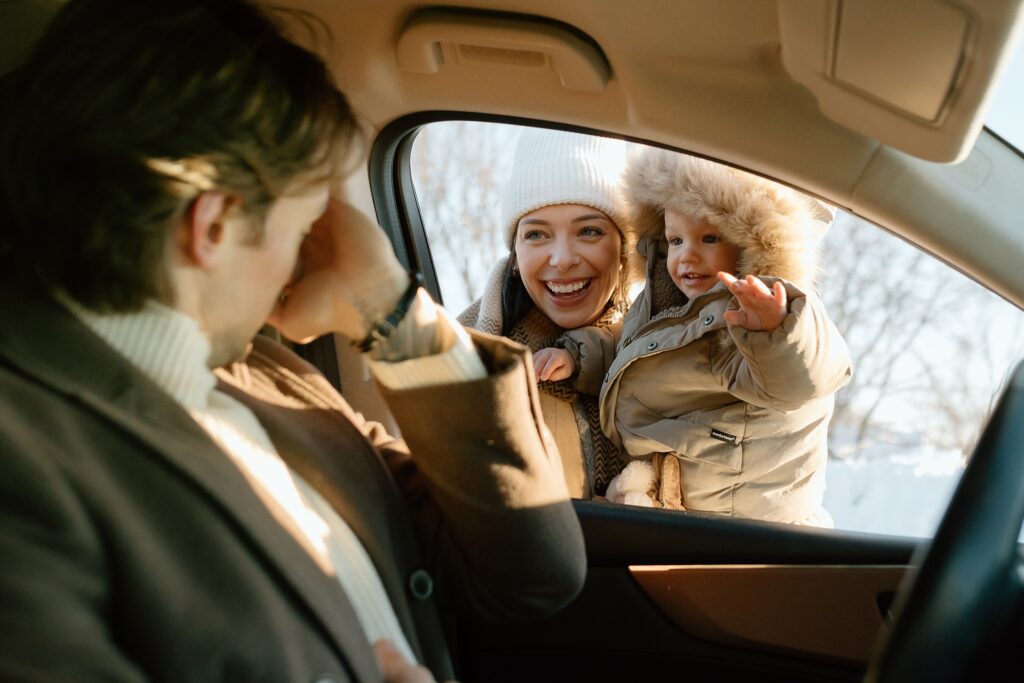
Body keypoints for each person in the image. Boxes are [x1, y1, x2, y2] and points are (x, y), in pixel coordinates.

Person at [0, 2, 585, 681]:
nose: (304, 258)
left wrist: (391, 308)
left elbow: (534, 571)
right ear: (213, 227)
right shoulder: (23, 457)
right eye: (302, 223)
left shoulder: (268, 375)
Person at [533, 149, 852, 526]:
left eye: (709, 238)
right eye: (676, 241)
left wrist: (776, 332)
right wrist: (577, 355)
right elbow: (635, 352)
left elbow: (804, 378)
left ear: (749, 243)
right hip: (686, 511)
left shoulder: (765, 317)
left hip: (741, 525)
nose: (686, 256)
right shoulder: (670, 305)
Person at [458, 129, 641, 498]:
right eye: (537, 235)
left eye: (588, 231)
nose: (562, 259)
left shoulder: (662, 346)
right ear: (515, 256)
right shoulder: (472, 369)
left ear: (624, 251)